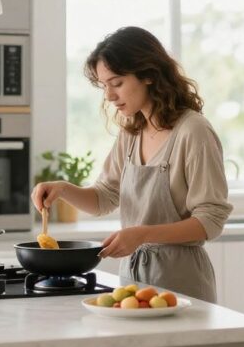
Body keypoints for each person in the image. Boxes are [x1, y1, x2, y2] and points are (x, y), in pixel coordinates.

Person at [31, 26, 232, 302]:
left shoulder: (193, 131)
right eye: (104, 86)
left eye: (117, 83)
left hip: (182, 282)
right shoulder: (132, 133)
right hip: (133, 281)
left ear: (149, 75)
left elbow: (211, 220)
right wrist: (63, 189)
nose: (109, 96)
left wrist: (142, 235)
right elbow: (104, 198)